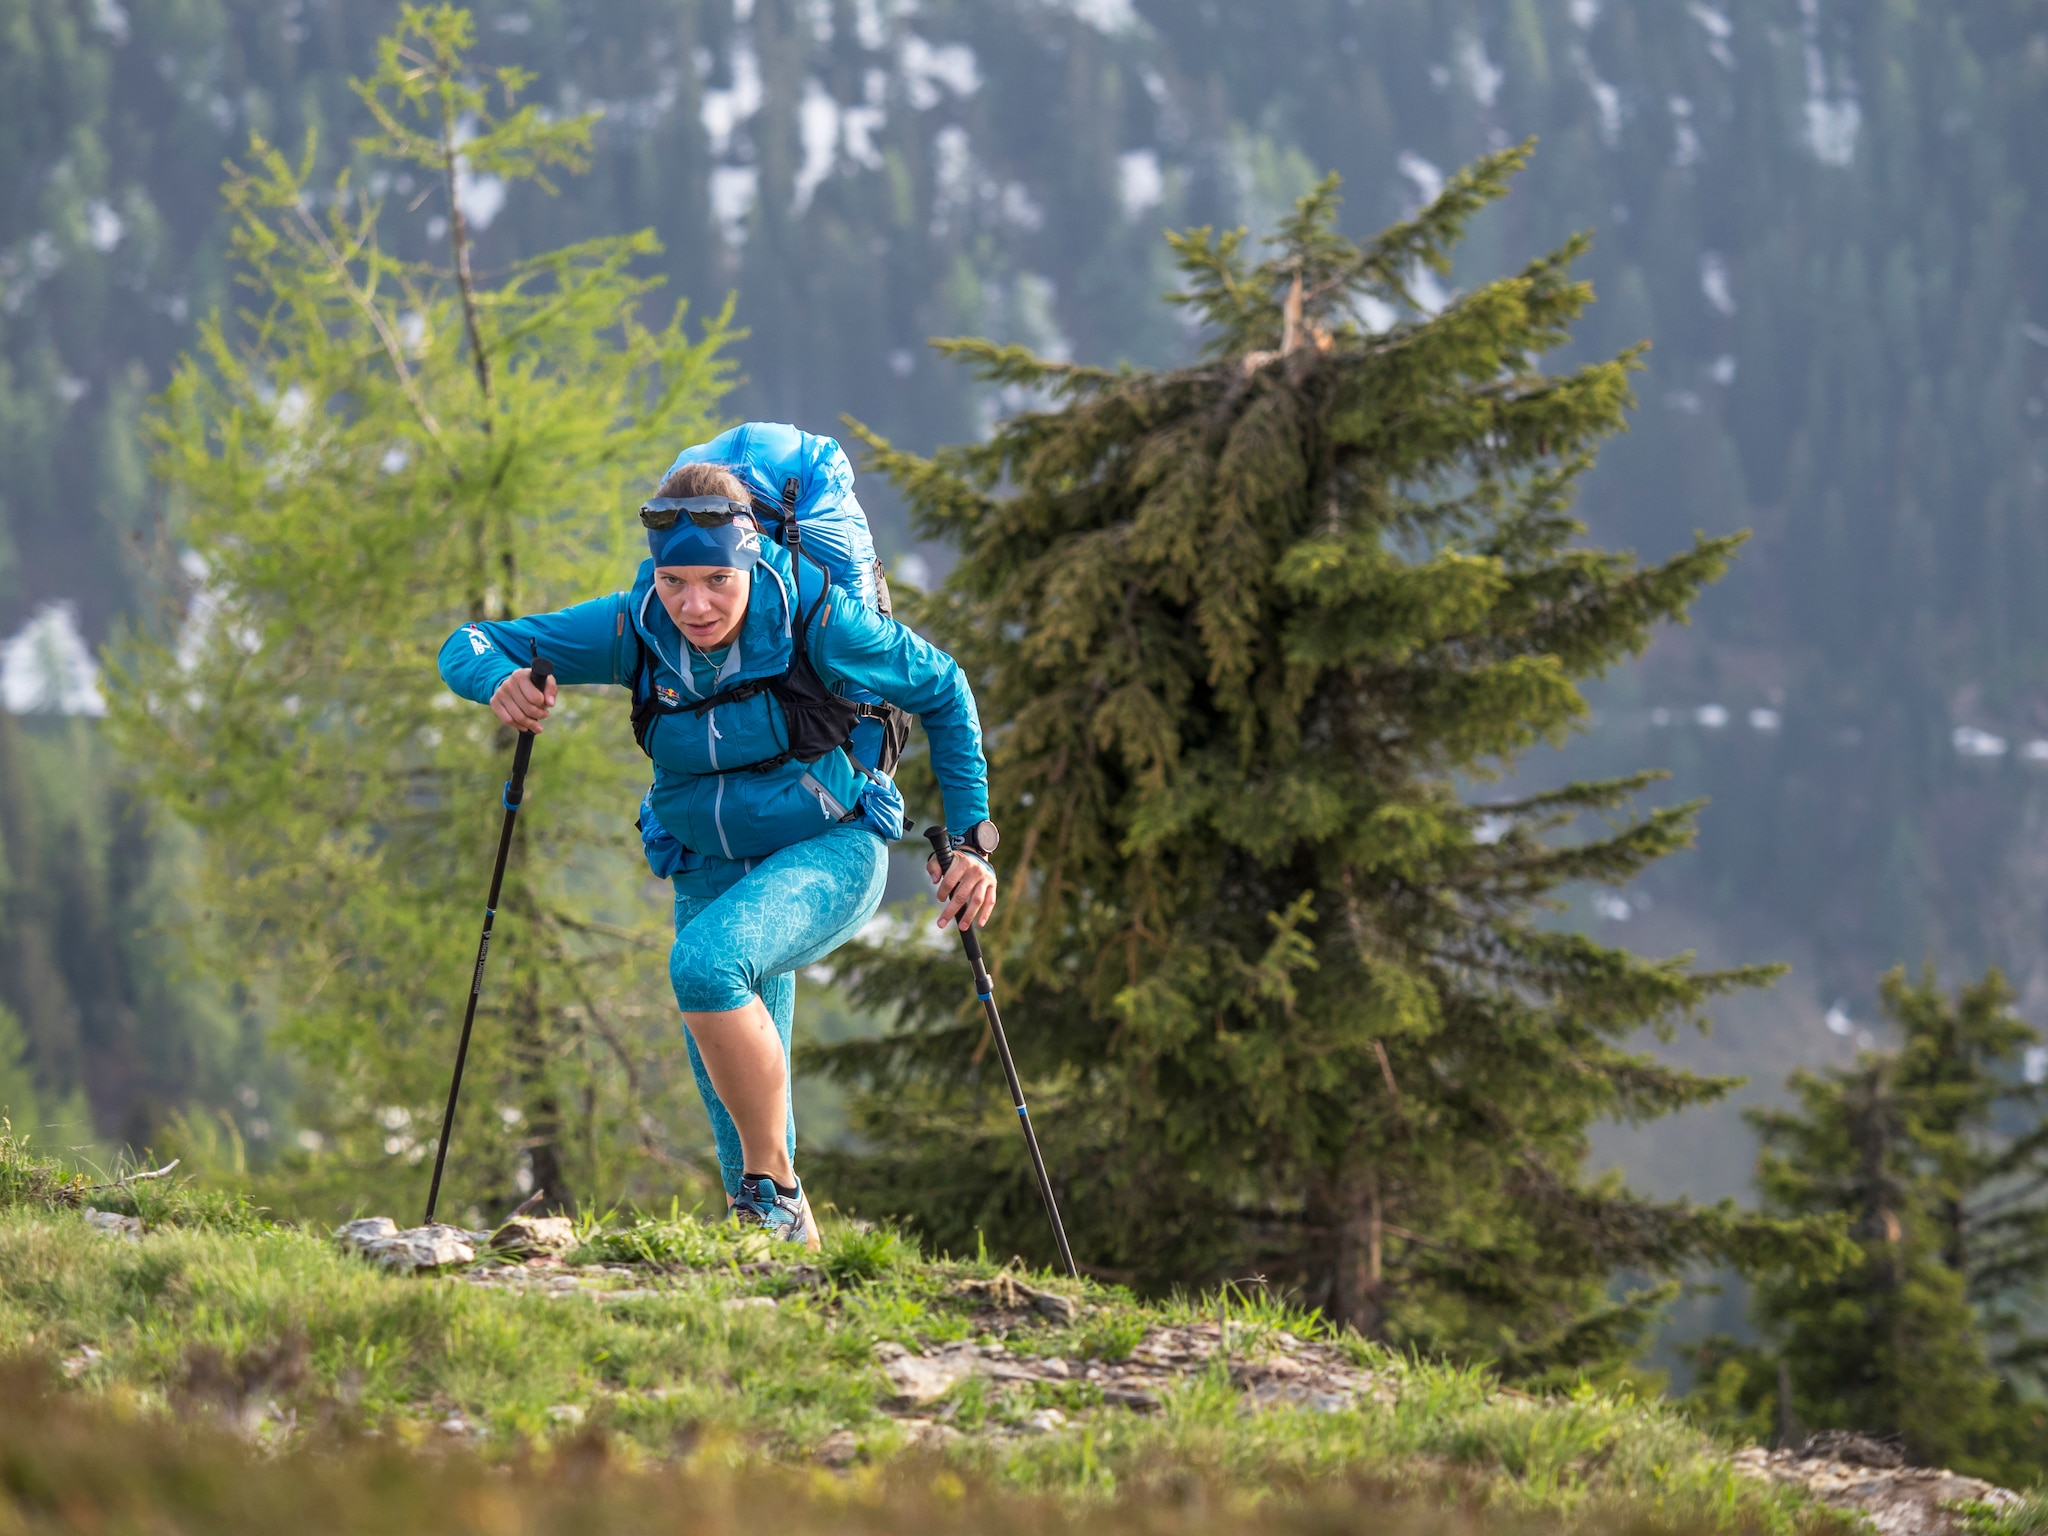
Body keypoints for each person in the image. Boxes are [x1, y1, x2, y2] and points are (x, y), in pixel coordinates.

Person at [436, 460, 999, 1247]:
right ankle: (784, 1279)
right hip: (705, 863)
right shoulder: (635, 625)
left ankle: (781, 1194)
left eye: (715, 581)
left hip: (829, 847)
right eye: (675, 583)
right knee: (742, 1157)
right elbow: (469, 642)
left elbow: (945, 687)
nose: (693, 604)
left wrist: (972, 842)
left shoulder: (821, 620)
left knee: (705, 970)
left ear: (751, 558)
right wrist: (497, 680)